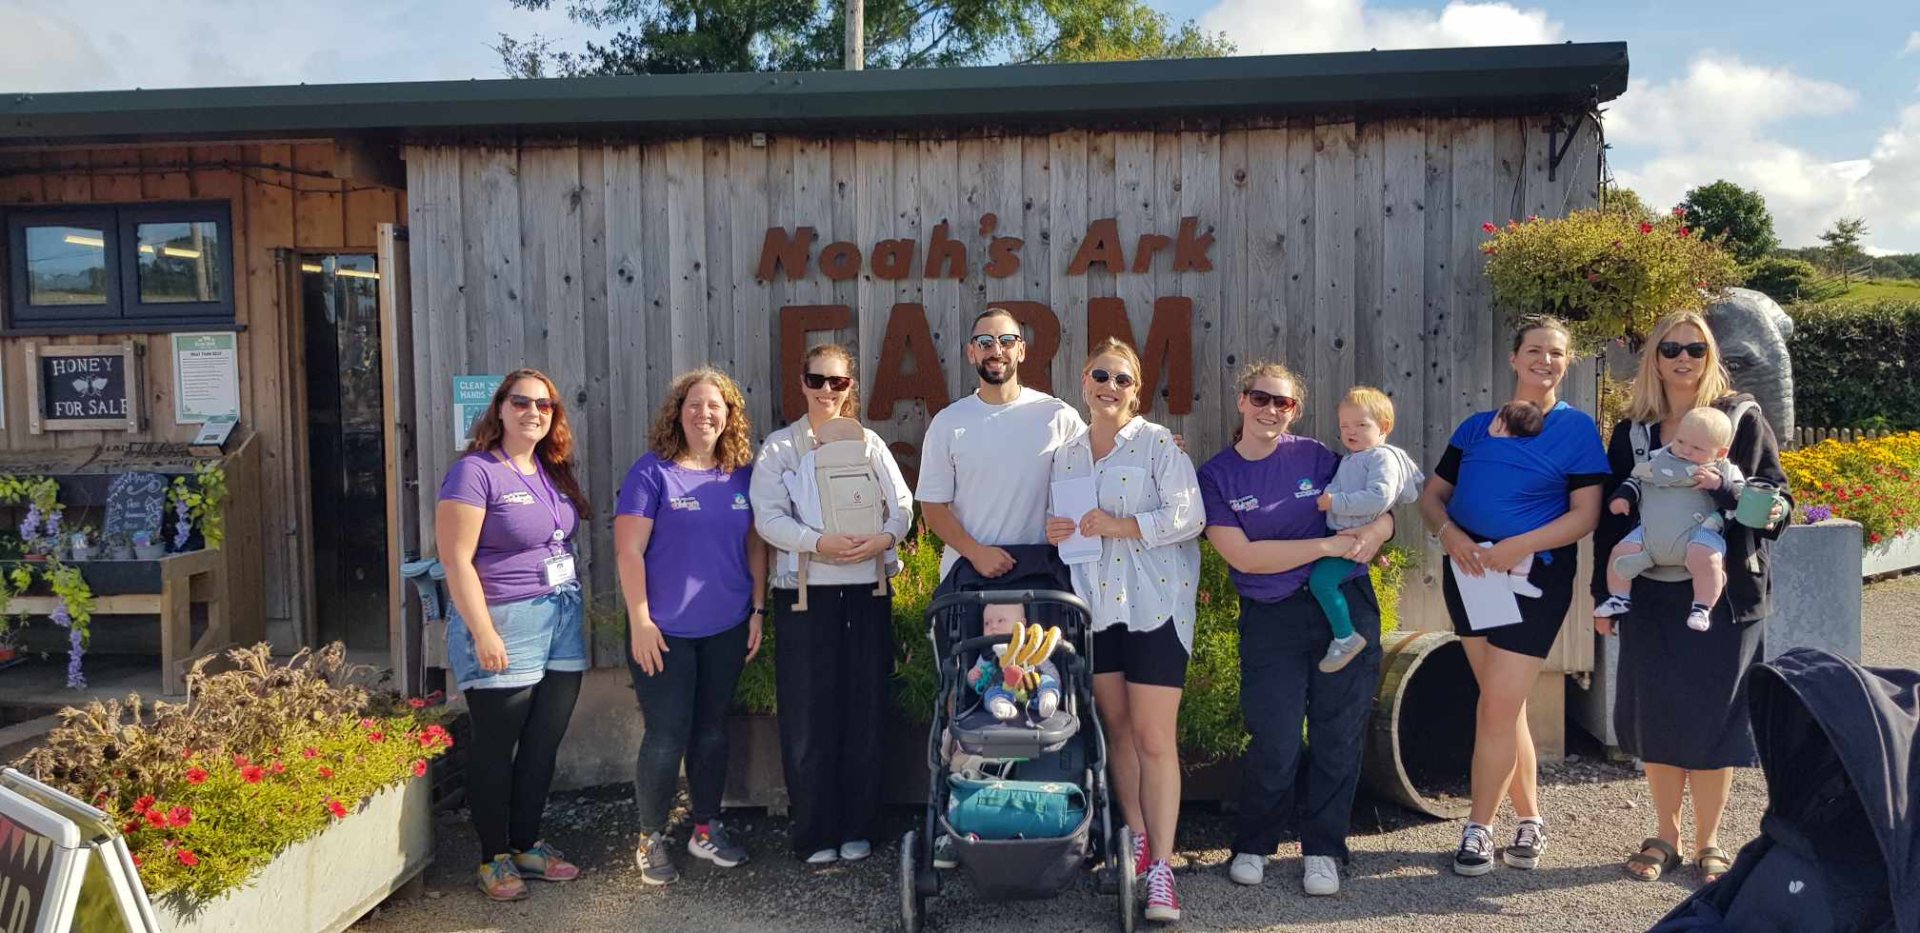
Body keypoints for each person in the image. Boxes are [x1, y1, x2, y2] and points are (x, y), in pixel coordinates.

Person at [1593, 311, 1791, 885]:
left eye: (1696, 349)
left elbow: (1777, 505)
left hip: (1723, 596)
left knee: (1713, 718)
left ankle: (1710, 842)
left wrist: (1733, 494)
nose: (1683, 359)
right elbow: (1611, 520)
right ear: (1653, 358)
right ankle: (1665, 835)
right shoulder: (1632, 431)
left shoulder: (1741, 420)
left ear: (1711, 357)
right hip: (1648, 595)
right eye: (1671, 349)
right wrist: (1601, 595)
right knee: (1656, 715)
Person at [1415, 316, 1609, 878]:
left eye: (1556, 353)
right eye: (1534, 350)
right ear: (1514, 358)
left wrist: (1514, 545)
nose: (1544, 361)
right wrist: (1450, 535)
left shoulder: (1577, 431)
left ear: (1566, 362)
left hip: (1533, 580)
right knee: (1506, 705)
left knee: (1495, 707)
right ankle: (1531, 819)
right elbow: (1433, 496)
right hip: (1471, 576)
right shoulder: (1475, 428)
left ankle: (1478, 826)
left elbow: (1585, 517)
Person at [1199, 362, 1395, 898]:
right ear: (1241, 401)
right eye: (1261, 398)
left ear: (1295, 412)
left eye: (1282, 404)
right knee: (1276, 738)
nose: (1270, 410)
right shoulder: (1216, 476)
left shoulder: (1317, 457)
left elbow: (1380, 498)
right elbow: (1244, 557)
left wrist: (1383, 527)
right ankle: (1255, 843)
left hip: (1344, 610)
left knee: (1338, 733)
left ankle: (1325, 850)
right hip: (1272, 617)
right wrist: (1326, 547)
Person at [1045, 338, 1204, 923]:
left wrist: (1117, 524)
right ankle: (1136, 837)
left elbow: (1189, 517)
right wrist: (1057, 527)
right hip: (1096, 609)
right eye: (1100, 375)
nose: (1110, 386)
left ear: (1135, 391)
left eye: (1122, 379)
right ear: (1084, 381)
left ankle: (1162, 868)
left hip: (1153, 607)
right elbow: (1061, 526)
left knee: (1156, 737)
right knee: (1116, 726)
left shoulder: (1159, 444)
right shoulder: (1065, 454)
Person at [750, 343, 913, 866]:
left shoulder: (870, 444)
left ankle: (861, 825)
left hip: (866, 588)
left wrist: (886, 538)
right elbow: (767, 517)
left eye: (837, 382)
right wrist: (816, 543)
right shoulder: (780, 448)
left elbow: (903, 504)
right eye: (817, 380)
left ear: (851, 388)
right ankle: (815, 829)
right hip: (804, 593)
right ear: (801, 383)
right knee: (807, 713)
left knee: (864, 706)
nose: (826, 391)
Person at [435, 369, 591, 901]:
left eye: (544, 405)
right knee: (497, 745)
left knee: (544, 742)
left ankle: (527, 844)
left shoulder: (551, 469)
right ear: (499, 409)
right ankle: (492, 856)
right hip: (505, 619)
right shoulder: (474, 472)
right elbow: (456, 561)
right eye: (521, 402)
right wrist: (482, 631)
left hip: (562, 616)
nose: (534, 412)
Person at [615, 366, 768, 886]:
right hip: (664, 632)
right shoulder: (651, 472)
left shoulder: (740, 474)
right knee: (665, 735)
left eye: (716, 407)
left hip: (726, 626)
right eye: (696, 404)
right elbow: (628, 550)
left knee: (712, 733)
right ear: (678, 412)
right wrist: (639, 620)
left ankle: (705, 827)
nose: (706, 414)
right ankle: (650, 837)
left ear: (730, 417)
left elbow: (755, 544)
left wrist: (758, 609)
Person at [918, 307, 1085, 581]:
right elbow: (933, 508)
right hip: (968, 575)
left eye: (1007, 341)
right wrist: (976, 553)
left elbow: (1101, 463)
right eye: (985, 342)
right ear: (971, 352)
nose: (997, 350)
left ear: (1021, 350)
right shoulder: (948, 423)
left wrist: (1158, 446)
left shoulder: (1058, 416)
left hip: (1041, 574)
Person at [1595, 406, 1746, 632]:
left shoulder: (1723, 469)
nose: (1685, 451)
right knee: (1621, 551)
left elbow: (1741, 500)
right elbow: (1637, 480)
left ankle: (1702, 606)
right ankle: (1619, 597)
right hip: (1651, 531)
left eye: (1697, 448)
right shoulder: (1660, 460)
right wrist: (1622, 498)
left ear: (1721, 452)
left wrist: (1718, 485)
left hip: (1700, 532)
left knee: (1708, 558)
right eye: (1681, 442)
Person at [1309, 386, 1423, 673]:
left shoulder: (1381, 457)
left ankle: (1346, 637)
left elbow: (1378, 497)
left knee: (1321, 582)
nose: (1351, 431)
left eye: (1361, 424)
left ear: (1384, 427)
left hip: (1352, 538)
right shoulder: (1355, 457)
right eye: (1345, 425)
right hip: (1344, 534)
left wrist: (1336, 501)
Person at [966, 602, 1063, 721]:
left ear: (1021, 623)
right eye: (987, 623)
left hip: (1032, 685)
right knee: (990, 692)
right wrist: (972, 677)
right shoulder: (988, 653)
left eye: (1000, 620)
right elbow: (980, 683)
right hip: (1004, 688)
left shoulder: (1030, 648)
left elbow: (1049, 669)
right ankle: (1000, 704)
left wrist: (1054, 683)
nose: (993, 626)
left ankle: (1048, 696)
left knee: (1047, 679)